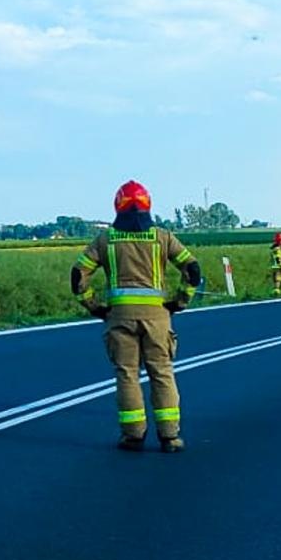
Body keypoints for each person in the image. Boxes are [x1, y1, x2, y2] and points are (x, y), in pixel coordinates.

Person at [71, 181, 202, 453]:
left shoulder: (105, 240)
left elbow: (78, 274)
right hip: (158, 318)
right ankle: (170, 437)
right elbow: (192, 268)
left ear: (117, 205)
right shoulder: (163, 237)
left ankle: (133, 436)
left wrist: (94, 306)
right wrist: (180, 301)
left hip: (120, 318)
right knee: (162, 373)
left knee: (127, 375)